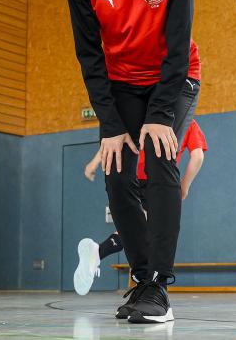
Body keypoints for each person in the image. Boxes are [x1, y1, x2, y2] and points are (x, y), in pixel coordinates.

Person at [65, 0, 195, 324]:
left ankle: (159, 285)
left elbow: (178, 44)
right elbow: (90, 57)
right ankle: (142, 279)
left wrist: (160, 115)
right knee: (118, 175)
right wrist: (111, 124)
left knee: (160, 160)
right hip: (120, 85)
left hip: (173, 79)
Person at [74, 119, 207, 296]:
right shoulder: (188, 121)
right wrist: (185, 185)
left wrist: (94, 162)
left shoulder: (145, 113)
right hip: (159, 180)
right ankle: (102, 254)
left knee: (138, 229)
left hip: (133, 176)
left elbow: (116, 137)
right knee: (152, 233)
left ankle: (101, 254)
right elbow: (198, 156)